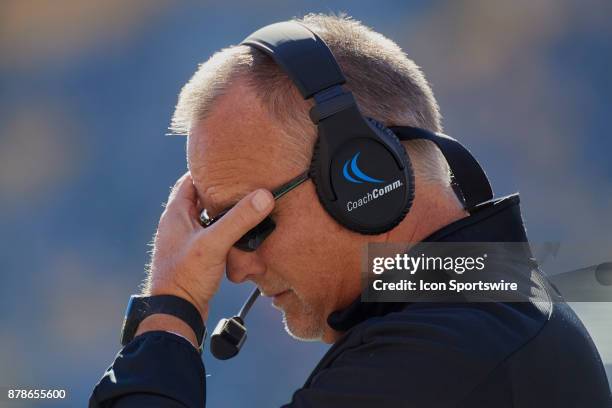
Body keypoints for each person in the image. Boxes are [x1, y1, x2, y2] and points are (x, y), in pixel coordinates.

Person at [90, 14, 611, 407]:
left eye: (250, 224)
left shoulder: (444, 354)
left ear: (364, 178)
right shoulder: (487, 311)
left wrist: (170, 312)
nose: (234, 266)